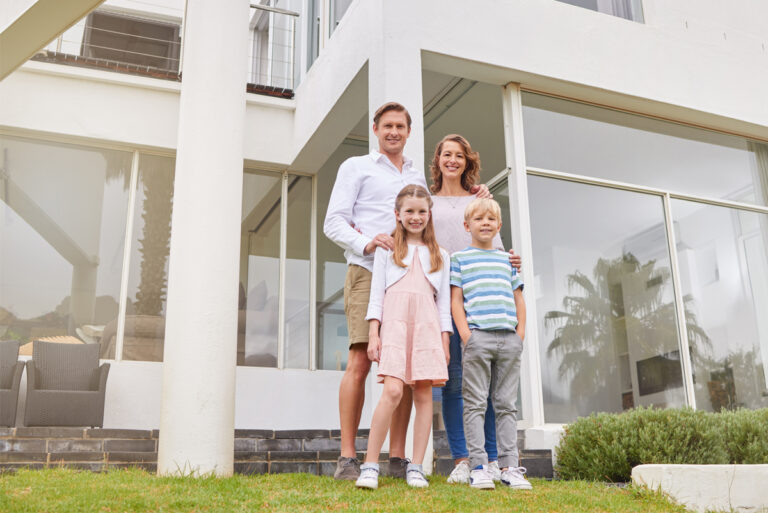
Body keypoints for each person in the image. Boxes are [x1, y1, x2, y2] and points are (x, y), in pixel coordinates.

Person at [323, 103, 492, 481]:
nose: (394, 132)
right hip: (369, 269)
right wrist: (368, 242)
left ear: (408, 131)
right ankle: (348, 457)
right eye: (387, 126)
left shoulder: (415, 175)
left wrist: (476, 194)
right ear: (375, 129)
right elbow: (332, 222)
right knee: (360, 360)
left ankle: (398, 457)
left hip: (414, 278)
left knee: (408, 369)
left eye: (400, 126)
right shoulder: (356, 167)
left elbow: (438, 210)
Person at [355, 185, 452, 489]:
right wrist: (374, 333)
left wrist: (444, 340)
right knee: (394, 391)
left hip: (427, 328)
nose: (415, 217)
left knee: (423, 395)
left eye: (422, 211)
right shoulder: (387, 251)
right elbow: (376, 295)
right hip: (395, 326)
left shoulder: (441, 255)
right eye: (409, 211)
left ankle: (417, 467)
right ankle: (370, 465)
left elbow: (443, 303)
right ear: (397, 214)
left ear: (429, 215)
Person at [429, 134, 504, 483]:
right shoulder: (428, 202)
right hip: (443, 299)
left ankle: (490, 458)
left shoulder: (479, 200)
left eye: (459, 155)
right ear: (438, 160)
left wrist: (511, 264)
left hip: (479, 300)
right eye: (447, 154)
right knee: (453, 383)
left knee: (483, 386)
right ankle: (462, 459)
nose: (452, 160)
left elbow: (496, 250)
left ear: (467, 162)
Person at [450, 198, 532, 490]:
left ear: (499, 225)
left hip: (509, 339)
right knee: (474, 404)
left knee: (507, 405)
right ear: (467, 225)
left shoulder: (506, 260)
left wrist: (520, 334)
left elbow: (518, 298)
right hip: (478, 339)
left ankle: (509, 467)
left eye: (490, 219)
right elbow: (456, 300)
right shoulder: (459, 259)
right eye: (478, 218)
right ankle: (478, 467)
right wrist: (467, 336)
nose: (485, 223)